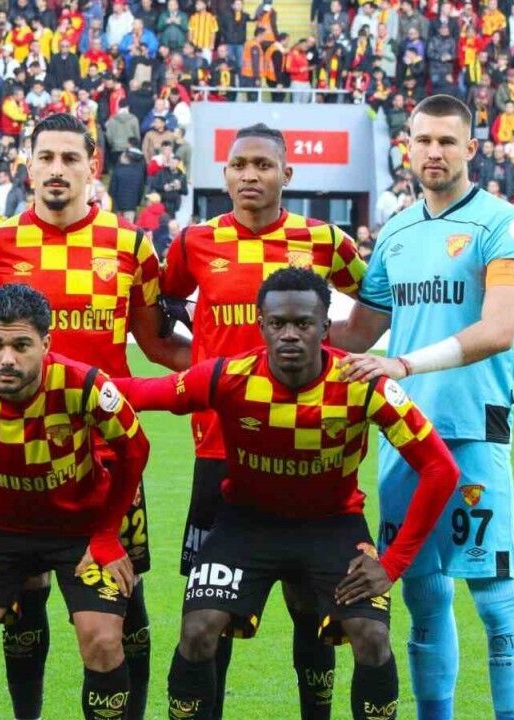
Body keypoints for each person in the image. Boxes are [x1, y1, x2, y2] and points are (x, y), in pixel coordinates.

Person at [0, 112, 190, 720]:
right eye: (47, 158)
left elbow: (157, 344)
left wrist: (233, 365)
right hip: (18, 450)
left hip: (107, 458)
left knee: (125, 605)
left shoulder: (131, 246)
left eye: (70, 158)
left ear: (93, 166)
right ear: (29, 166)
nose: (58, 169)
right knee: (23, 606)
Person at [125, 267, 459, 720]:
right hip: (246, 525)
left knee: (372, 636)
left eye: (303, 323)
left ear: (324, 327)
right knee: (199, 629)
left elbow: (440, 468)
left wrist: (393, 563)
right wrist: (64, 380)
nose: (289, 334)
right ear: (261, 325)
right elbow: (143, 392)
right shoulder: (229, 375)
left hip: (332, 526)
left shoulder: (364, 384)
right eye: (277, 323)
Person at [330, 94, 514, 720]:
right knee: (421, 595)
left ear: (470, 148)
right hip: (405, 437)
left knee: (494, 596)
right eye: (423, 141)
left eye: (447, 141)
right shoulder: (396, 233)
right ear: (408, 148)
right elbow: (357, 334)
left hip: (474, 428)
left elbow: (499, 328)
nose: (434, 152)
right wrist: (259, 321)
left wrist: (405, 365)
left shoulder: (501, 224)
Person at [160, 122, 367, 720]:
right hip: (218, 449)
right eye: (240, 165)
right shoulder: (194, 243)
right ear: (224, 174)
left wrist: (343, 353)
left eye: (263, 165)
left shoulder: (324, 240)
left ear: (286, 174)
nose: (250, 175)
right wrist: (202, 368)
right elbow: (162, 311)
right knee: (211, 607)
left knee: (312, 605)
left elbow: (375, 297)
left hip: (307, 444)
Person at [0, 283, 151, 720]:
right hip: (0, 534)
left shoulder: (84, 383)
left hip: (81, 534)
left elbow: (136, 449)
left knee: (102, 640)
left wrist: (105, 533)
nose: (6, 359)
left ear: (46, 343)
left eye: (21, 346)